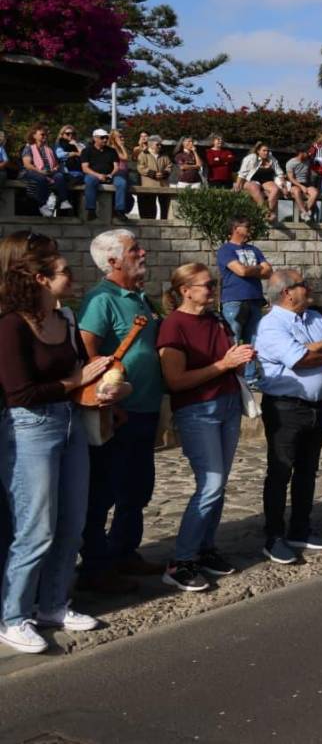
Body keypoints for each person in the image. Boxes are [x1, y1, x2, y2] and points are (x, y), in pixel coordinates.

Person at [0, 232, 114, 654]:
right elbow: (19, 393)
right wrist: (76, 381)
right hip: (29, 429)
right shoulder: (11, 325)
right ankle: (13, 615)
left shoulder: (65, 320)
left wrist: (102, 387)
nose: (73, 274)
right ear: (39, 279)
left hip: (69, 424)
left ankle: (53, 604)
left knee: (72, 523)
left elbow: (83, 369)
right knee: (35, 527)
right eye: (64, 270)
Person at [76, 229, 165, 594]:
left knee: (137, 488)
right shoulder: (102, 300)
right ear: (113, 261)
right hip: (117, 414)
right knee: (104, 493)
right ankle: (95, 569)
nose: (142, 253)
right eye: (134, 250)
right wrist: (110, 399)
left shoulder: (139, 298)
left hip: (144, 408)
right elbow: (87, 354)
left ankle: (124, 551)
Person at [156, 264, 253, 592]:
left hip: (227, 405)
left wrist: (239, 359)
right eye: (206, 285)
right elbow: (175, 380)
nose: (212, 289)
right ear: (186, 290)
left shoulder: (216, 319)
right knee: (210, 484)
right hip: (198, 411)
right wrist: (223, 364)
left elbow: (225, 358)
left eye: (213, 284)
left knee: (220, 483)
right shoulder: (174, 325)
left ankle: (204, 547)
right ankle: (180, 561)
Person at [254, 269, 322, 563]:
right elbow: (298, 360)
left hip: (316, 406)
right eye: (302, 285)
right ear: (288, 292)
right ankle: (274, 534)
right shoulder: (271, 325)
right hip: (286, 407)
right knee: (281, 471)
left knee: (308, 471)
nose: (308, 288)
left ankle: (300, 526)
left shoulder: (314, 318)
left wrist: (321, 347)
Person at [216, 216, 271, 386]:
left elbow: (268, 271)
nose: (250, 229)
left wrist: (251, 270)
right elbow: (241, 271)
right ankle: (229, 377)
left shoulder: (254, 249)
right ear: (235, 228)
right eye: (246, 225)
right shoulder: (225, 250)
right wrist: (257, 269)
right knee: (233, 339)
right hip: (234, 301)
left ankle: (250, 378)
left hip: (254, 300)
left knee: (253, 341)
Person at [79, 128, 131, 223]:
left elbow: (116, 166)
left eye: (106, 137)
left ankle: (120, 210)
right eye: (102, 138)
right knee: (89, 181)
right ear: (95, 138)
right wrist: (98, 175)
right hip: (94, 174)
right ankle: (91, 210)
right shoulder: (87, 151)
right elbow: (85, 168)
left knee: (121, 182)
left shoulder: (112, 151)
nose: (105, 140)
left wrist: (110, 175)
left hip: (111, 175)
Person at [19, 126, 72, 218]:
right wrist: (40, 171)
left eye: (46, 135)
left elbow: (57, 163)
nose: (45, 136)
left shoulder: (49, 149)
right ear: (34, 136)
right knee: (41, 178)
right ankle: (42, 205)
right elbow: (27, 164)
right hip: (32, 171)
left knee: (59, 176)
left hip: (49, 172)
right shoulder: (28, 148)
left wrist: (55, 169)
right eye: (42, 134)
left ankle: (64, 200)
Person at [237, 142, 285, 222]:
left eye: (267, 151)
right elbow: (242, 173)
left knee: (275, 189)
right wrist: (238, 185)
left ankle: (268, 212)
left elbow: (279, 172)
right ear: (258, 151)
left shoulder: (271, 158)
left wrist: (284, 185)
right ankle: (265, 212)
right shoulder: (251, 158)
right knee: (255, 187)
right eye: (264, 150)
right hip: (250, 179)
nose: (266, 152)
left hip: (265, 180)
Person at [135, 135, 172, 220]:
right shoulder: (143, 154)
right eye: (157, 144)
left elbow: (169, 166)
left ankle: (164, 221)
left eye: (160, 144)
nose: (159, 146)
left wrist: (164, 173)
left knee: (165, 206)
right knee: (150, 207)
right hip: (149, 185)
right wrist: (153, 174)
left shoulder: (164, 155)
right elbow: (140, 167)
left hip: (163, 185)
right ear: (151, 145)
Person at [284, 146, 322, 222]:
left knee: (315, 192)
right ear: (301, 153)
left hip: (306, 183)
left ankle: (305, 211)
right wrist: (301, 186)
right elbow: (291, 178)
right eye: (307, 152)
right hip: (295, 183)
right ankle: (304, 212)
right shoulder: (290, 163)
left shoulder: (308, 161)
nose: (308, 154)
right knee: (296, 192)